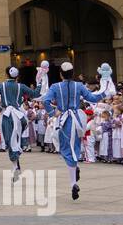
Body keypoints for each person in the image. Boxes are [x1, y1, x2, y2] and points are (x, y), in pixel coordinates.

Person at [44, 62, 108, 201]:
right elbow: (92, 98)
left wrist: (53, 112)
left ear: (61, 74)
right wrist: (105, 90)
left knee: (65, 149)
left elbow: (46, 101)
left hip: (63, 120)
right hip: (77, 120)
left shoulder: (55, 86)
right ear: (72, 74)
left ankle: (73, 181)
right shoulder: (79, 86)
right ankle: (75, 171)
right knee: (76, 147)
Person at [0, 66, 37, 181]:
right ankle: (16, 163)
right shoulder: (21, 86)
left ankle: (15, 166)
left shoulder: (0, 86)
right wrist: (40, 82)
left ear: (7, 74)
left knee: (9, 141)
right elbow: (34, 93)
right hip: (19, 116)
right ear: (17, 76)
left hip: (7, 115)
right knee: (16, 139)